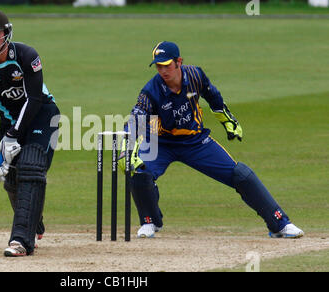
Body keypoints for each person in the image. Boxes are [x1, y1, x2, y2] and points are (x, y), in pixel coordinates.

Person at [119, 41, 304, 239]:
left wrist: (227, 119)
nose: (163, 70)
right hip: (160, 143)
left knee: (240, 174)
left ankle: (280, 224)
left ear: (179, 62)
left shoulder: (196, 75)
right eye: (158, 66)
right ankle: (150, 222)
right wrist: (126, 149)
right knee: (140, 172)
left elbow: (212, 95)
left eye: (167, 65)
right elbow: (136, 117)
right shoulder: (151, 90)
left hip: (195, 142)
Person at [0, 10, 59, 256]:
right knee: (13, 180)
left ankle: (21, 241)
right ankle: (33, 219)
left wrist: (14, 135)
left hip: (43, 115)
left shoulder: (27, 56)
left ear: (6, 33)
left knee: (31, 166)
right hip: (8, 122)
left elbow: (35, 98)